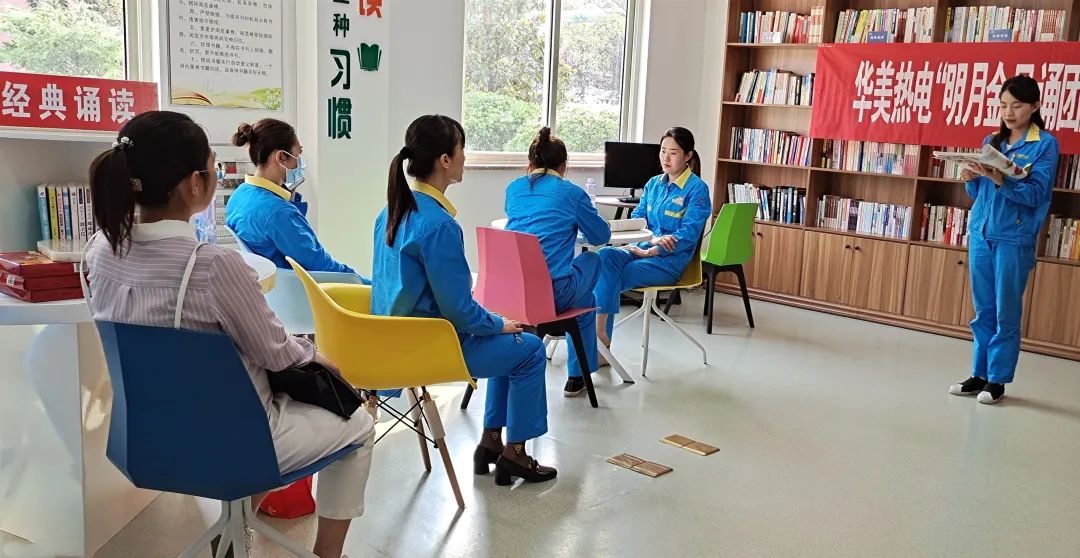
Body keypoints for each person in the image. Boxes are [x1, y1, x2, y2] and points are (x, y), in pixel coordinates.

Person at [84, 111, 373, 558]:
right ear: (193, 185)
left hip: (144, 440)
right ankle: (327, 554)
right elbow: (277, 352)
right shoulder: (211, 267)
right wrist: (319, 358)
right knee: (359, 423)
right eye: (213, 168)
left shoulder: (100, 251)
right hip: (236, 443)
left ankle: (236, 530)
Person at [371, 115, 556, 486]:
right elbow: (458, 309)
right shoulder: (439, 225)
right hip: (433, 345)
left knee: (509, 339)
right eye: (461, 149)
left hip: (394, 340)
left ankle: (491, 443)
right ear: (445, 160)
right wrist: (496, 323)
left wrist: (493, 323)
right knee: (531, 349)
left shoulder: (391, 211)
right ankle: (515, 452)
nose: (465, 157)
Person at [949, 75, 1059, 405]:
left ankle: (997, 380)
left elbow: (1036, 194)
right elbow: (978, 193)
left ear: (1035, 106)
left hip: (1014, 237)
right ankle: (979, 374)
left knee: (1005, 313)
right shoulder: (992, 141)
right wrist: (970, 178)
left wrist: (1001, 180)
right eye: (1003, 105)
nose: (1008, 113)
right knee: (982, 311)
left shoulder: (1045, 144)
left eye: (1017, 105)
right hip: (981, 234)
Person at [504, 127, 611, 397]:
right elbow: (600, 237)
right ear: (564, 166)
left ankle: (578, 373)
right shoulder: (571, 193)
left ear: (530, 163)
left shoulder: (513, 189)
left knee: (584, 299)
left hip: (513, 293)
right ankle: (577, 375)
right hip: (552, 295)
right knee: (592, 261)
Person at [593, 127, 712, 353]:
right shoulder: (653, 183)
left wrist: (652, 250)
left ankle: (599, 345)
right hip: (639, 249)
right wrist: (645, 240)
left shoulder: (697, 189)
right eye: (663, 151)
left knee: (610, 276)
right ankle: (600, 338)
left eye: (673, 153)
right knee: (604, 257)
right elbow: (639, 218)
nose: (665, 158)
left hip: (667, 262)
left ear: (688, 156)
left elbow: (688, 234)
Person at [226, 118, 370, 283]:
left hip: (273, 291)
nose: (300, 161)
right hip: (301, 292)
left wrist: (289, 196)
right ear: (281, 157)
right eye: (298, 155)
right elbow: (322, 266)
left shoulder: (239, 196)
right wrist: (367, 285)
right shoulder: (278, 212)